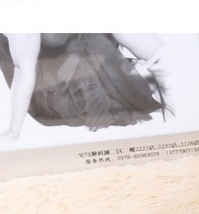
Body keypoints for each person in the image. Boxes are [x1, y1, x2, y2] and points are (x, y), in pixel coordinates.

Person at [0, 33, 170, 141]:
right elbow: (23, 72)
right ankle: (159, 73)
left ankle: (163, 70)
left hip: (77, 59)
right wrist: (12, 132)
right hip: (52, 91)